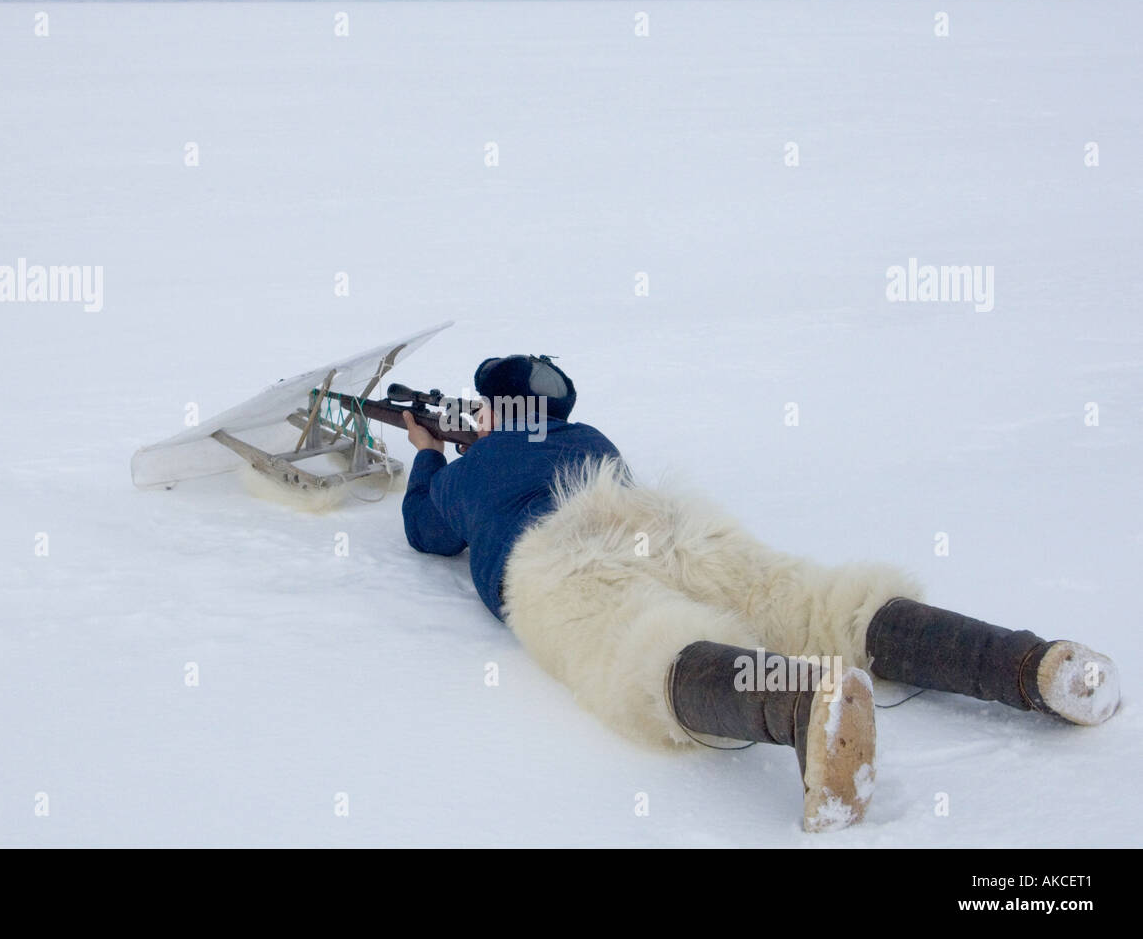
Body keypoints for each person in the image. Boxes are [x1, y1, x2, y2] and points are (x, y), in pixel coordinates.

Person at [400, 354, 1120, 832]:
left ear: (495, 414)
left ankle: (806, 704)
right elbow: (538, 442)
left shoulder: (475, 468)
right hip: (660, 519)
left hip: (559, 555)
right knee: (809, 599)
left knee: (644, 652)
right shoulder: (587, 433)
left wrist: (431, 456)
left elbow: (425, 531)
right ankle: (1035, 664)